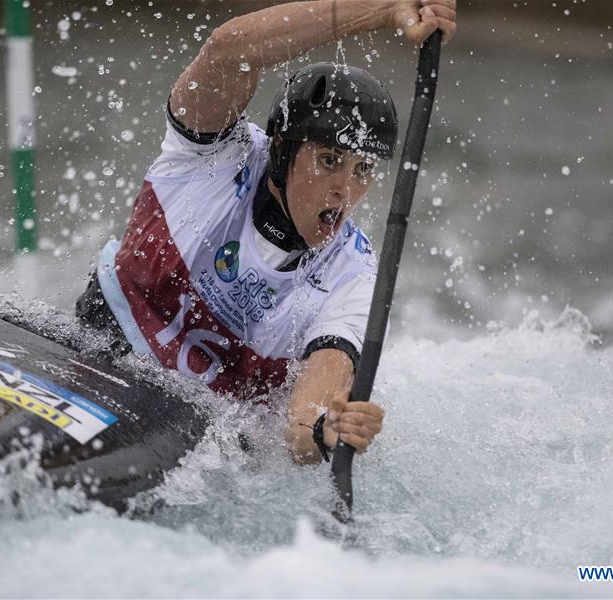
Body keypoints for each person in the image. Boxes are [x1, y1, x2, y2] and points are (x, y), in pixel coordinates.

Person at [76, 0, 457, 464]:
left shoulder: (355, 278)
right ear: (280, 147)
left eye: (364, 170)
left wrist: (327, 431)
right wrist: (383, 9)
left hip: (196, 433)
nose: (345, 191)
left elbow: (301, 428)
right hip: (98, 345)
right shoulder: (213, 155)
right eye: (329, 161)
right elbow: (230, 47)